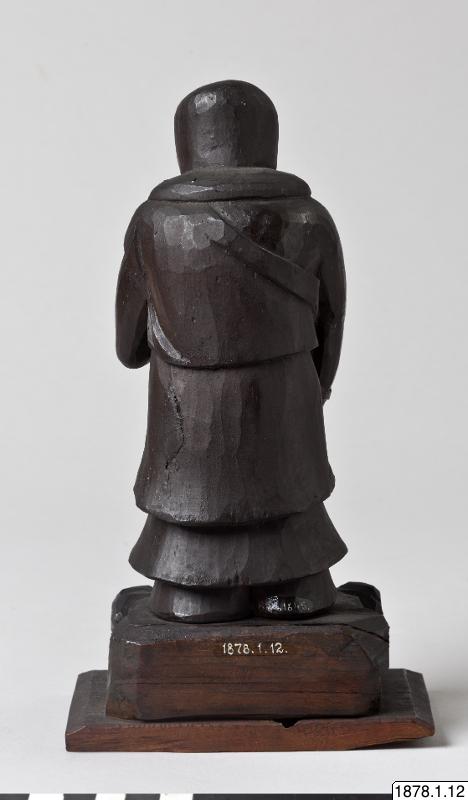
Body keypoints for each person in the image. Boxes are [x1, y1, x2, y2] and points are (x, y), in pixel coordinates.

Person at [116, 80, 347, 622]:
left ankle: (196, 591)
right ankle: (296, 585)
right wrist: (316, 385)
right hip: (285, 404)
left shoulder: (154, 223)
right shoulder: (309, 219)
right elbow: (332, 321)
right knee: (288, 499)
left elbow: (130, 345)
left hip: (189, 418)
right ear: (268, 141)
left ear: (186, 144)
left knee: (194, 523)